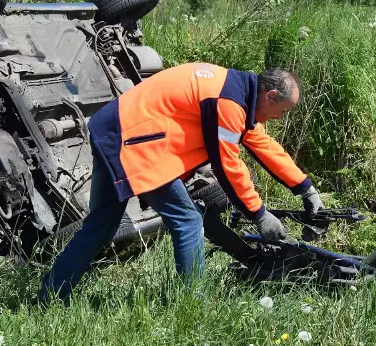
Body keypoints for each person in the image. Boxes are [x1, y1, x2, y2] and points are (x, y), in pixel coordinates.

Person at [39, 63, 324, 302]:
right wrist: (260, 215)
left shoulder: (236, 92)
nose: (279, 117)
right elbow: (228, 165)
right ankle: (192, 304)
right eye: (282, 111)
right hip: (136, 144)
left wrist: (304, 187)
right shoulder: (228, 100)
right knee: (188, 220)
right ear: (270, 95)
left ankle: (50, 295)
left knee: (101, 225)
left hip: (114, 132)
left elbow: (263, 144)